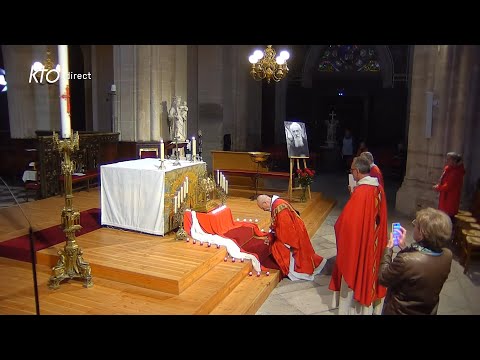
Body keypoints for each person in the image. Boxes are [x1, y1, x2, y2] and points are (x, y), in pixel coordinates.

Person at [329, 156, 388, 314]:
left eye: (352, 171)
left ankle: (345, 310)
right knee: (371, 274)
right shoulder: (378, 189)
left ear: (356, 171)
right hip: (373, 242)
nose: (352, 174)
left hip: (361, 242)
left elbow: (346, 223)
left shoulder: (361, 192)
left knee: (352, 267)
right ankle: (370, 309)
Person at [378, 207, 453, 315]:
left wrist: (388, 248)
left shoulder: (406, 260)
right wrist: (404, 248)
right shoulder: (447, 255)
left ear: (422, 233)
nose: (414, 227)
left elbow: (383, 278)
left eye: (416, 225)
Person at [256, 194, 326, 280]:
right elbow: (277, 224)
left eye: (263, 208)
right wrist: (271, 234)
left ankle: (292, 269)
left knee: (277, 247)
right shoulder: (276, 205)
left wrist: (274, 237)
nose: (264, 210)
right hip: (292, 231)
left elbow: (285, 228)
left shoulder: (279, 207)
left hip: (293, 234)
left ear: (265, 202)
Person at [433, 152, 465, 220]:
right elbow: (444, 181)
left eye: (448, 159)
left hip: (449, 199)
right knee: (443, 216)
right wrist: (439, 185)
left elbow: (448, 186)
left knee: (447, 218)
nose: (446, 161)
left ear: (454, 161)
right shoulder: (449, 169)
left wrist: (438, 187)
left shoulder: (456, 172)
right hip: (445, 197)